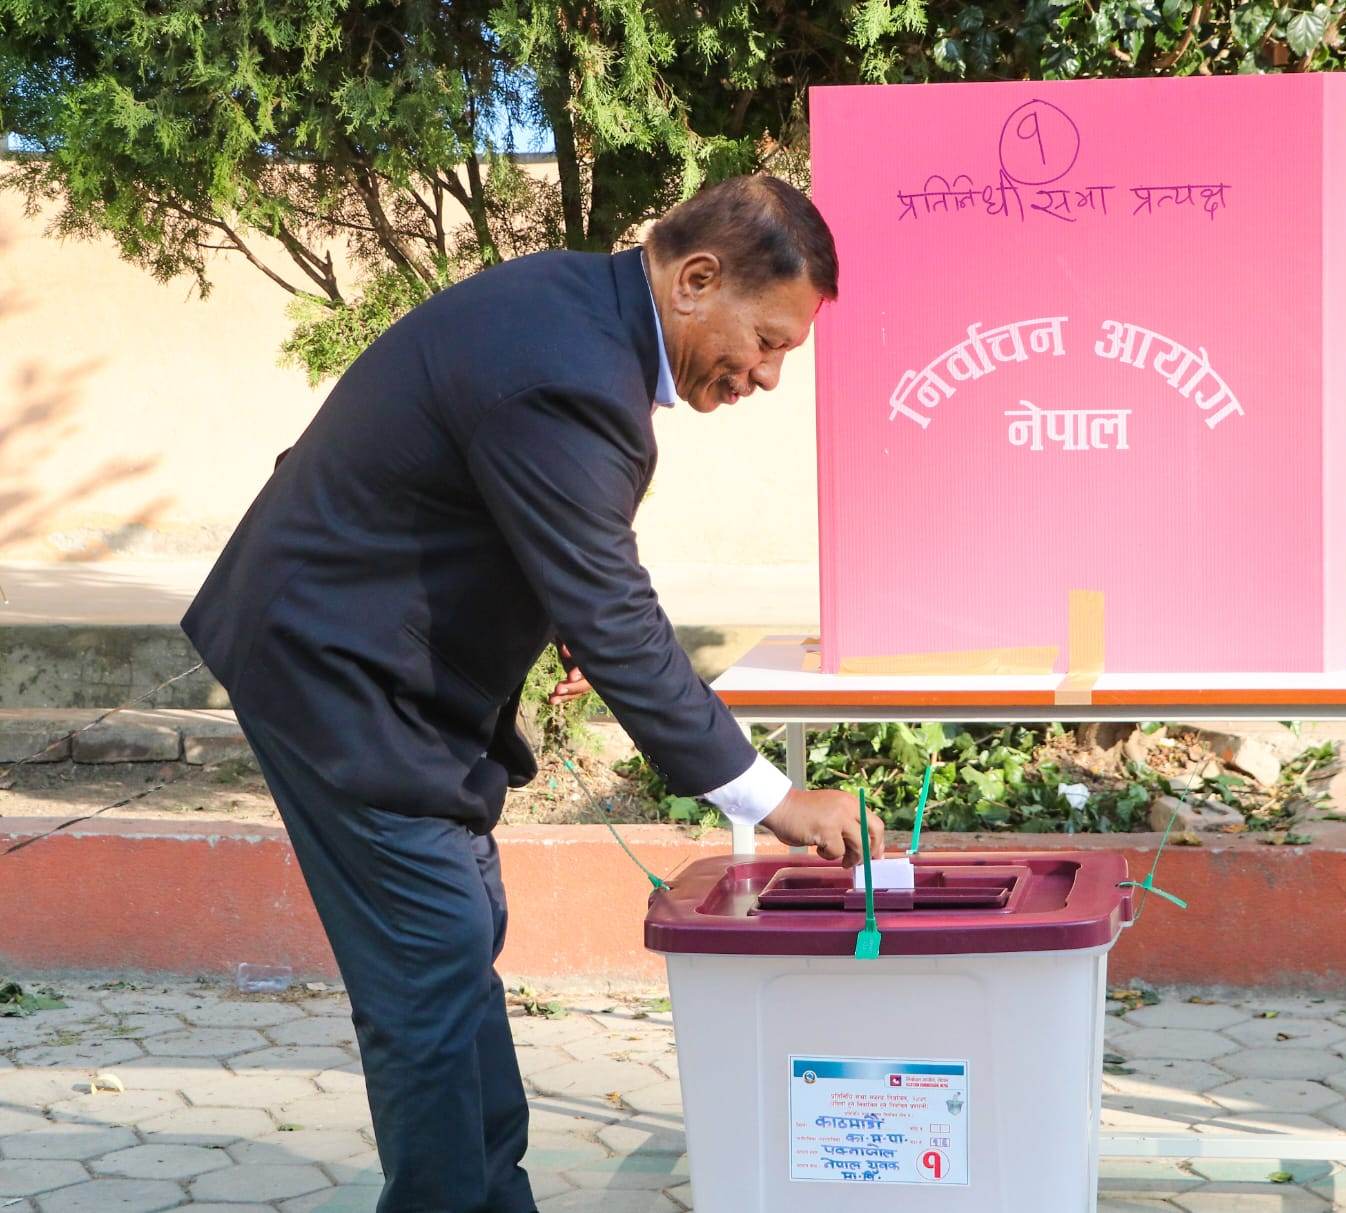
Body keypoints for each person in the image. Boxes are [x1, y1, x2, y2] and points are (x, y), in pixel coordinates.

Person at [182, 173, 885, 1213]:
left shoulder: (569, 315)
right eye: (770, 340)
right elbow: (613, 614)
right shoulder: (569, 373)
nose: (771, 375)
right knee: (428, 965)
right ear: (697, 279)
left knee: (459, 939)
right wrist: (771, 797)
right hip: (335, 672)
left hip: (385, 664)